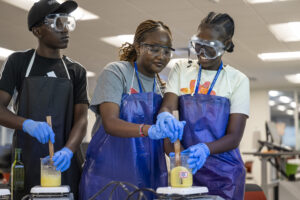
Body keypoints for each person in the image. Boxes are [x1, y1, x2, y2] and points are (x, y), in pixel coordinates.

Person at [79, 20, 185, 200]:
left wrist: (183, 155)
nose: (161, 56)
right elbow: (110, 123)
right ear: (138, 47)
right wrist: (149, 129)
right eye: (154, 48)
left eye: (167, 51)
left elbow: (167, 143)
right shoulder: (117, 72)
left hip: (150, 176)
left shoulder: (162, 88)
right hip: (108, 175)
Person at [0, 0, 89, 199]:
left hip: (66, 166)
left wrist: (68, 150)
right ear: (37, 30)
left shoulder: (76, 71)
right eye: (58, 23)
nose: (65, 29)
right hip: (27, 162)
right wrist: (27, 124)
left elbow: (81, 120)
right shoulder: (18, 63)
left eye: (67, 22)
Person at [158, 12, 250, 200]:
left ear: (225, 45)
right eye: (198, 44)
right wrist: (165, 117)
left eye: (210, 48)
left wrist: (205, 149)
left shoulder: (237, 80)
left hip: (225, 175)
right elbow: (168, 106)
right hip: (186, 168)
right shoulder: (182, 69)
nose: (201, 52)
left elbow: (234, 136)